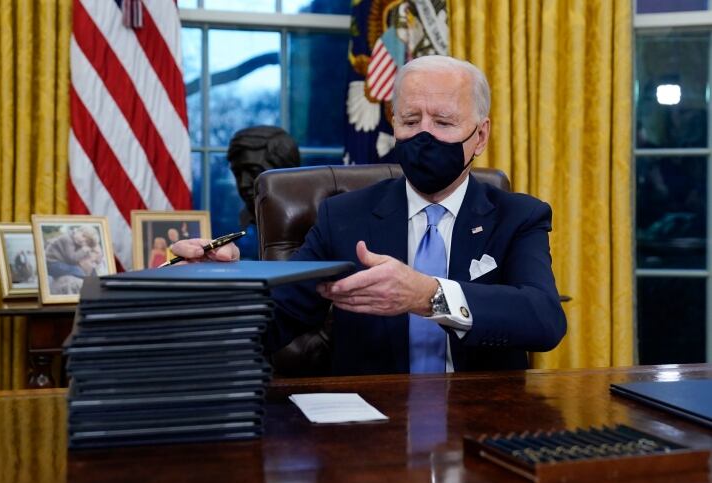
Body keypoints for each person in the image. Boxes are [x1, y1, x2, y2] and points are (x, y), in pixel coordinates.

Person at [172, 55, 566, 375]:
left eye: (443, 123)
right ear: (393, 123)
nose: (423, 136)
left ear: (480, 136)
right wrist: (224, 282)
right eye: (410, 121)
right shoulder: (343, 217)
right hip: (369, 430)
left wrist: (429, 295)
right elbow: (273, 321)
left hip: (482, 424)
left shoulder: (518, 217)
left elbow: (543, 320)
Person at [226, 126, 301, 259]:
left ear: (287, 172)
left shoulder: (317, 225)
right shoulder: (232, 229)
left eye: (254, 172)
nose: (243, 184)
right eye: (237, 174)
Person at [45, 225, 103, 294]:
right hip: (52, 264)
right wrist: (83, 250)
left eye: (86, 241)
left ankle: (96, 283)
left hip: (59, 263)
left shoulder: (75, 240)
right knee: (77, 270)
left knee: (86, 271)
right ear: (77, 231)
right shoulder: (67, 239)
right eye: (83, 236)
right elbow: (72, 259)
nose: (82, 240)